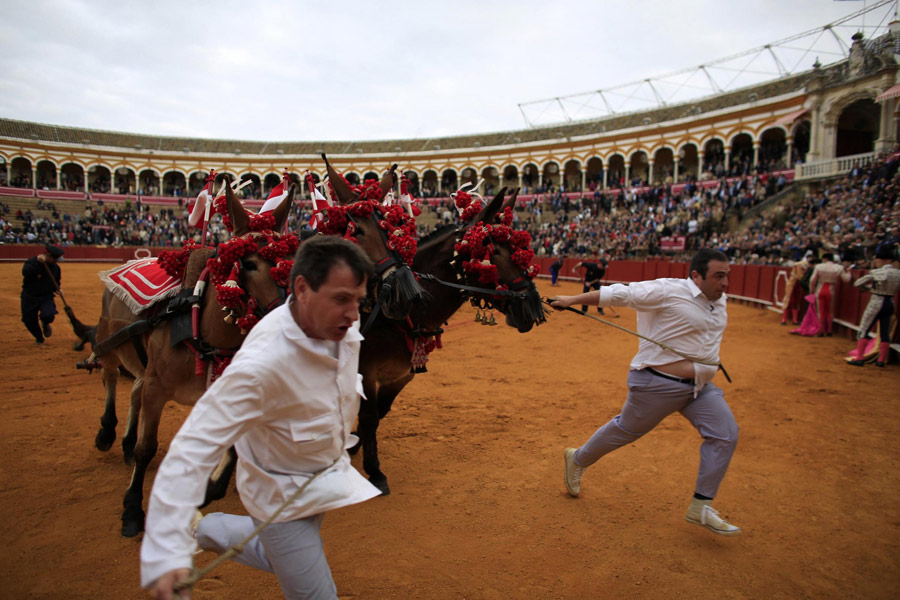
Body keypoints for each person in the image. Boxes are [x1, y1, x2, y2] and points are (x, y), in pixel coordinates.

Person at [141, 236, 382, 600]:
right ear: (301, 288)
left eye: (358, 300)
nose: (353, 313)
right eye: (341, 299)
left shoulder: (335, 321)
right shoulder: (262, 364)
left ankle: (206, 531)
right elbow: (193, 446)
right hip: (279, 494)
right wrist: (164, 551)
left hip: (324, 476)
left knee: (279, 555)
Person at [551, 248, 741, 536]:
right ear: (696, 276)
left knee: (725, 434)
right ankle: (578, 459)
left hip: (701, 389)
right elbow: (620, 294)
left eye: (727, 276)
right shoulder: (668, 290)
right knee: (625, 430)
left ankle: (701, 505)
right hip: (657, 384)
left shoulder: (719, 300)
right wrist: (572, 299)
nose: (725, 283)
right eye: (718, 276)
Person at [848, 245, 900, 367]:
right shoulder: (898, 273)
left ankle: (860, 358)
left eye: (878, 259)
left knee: (864, 329)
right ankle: (881, 360)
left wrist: (868, 288)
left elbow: (857, 283)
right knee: (885, 332)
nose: (877, 261)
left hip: (876, 301)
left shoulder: (877, 272)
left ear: (885, 260)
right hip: (890, 302)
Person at [21, 244, 64, 346]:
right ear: (48, 256)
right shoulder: (31, 262)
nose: (56, 261)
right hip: (30, 296)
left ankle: (45, 323)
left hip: (46, 296)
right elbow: (26, 272)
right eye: (55, 259)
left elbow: (56, 281)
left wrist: (58, 289)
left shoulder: (56, 268)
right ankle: (39, 337)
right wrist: (37, 263)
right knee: (29, 320)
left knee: (49, 315)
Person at [809, 254, 851, 336]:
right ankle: (829, 330)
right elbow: (846, 280)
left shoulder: (819, 266)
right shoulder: (839, 267)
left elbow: (812, 280)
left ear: (825, 259)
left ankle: (821, 330)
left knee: (820, 311)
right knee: (829, 311)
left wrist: (812, 290)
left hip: (820, 289)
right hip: (831, 290)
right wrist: (849, 272)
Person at [781, 251, 811, 325]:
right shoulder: (800, 264)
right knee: (789, 300)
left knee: (796, 301)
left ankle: (794, 320)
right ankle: (784, 319)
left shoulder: (803, 264)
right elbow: (800, 275)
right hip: (793, 284)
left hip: (797, 285)